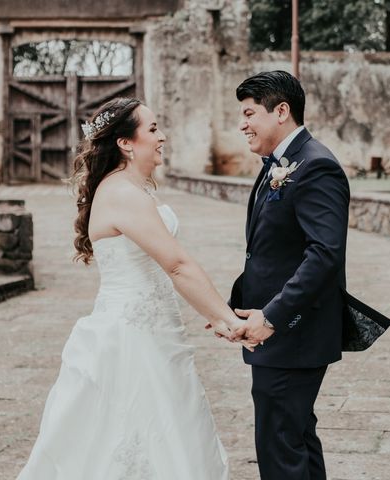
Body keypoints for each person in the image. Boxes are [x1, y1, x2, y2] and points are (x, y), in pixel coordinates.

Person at [16, 97, 254, 479]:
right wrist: (226, 320)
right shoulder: (123, 193)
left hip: (156, 327)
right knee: (135, 433)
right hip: (132, 335)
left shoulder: (132, 188)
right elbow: (177, 265)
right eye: (153, 129)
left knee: (162, 429)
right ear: (126, 142)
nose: (163, 137)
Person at [229, 71, 350, 480]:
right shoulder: (277, 165)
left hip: (293, 332)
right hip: (279, 333)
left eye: (249, 113)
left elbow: (324, 255)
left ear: (281, 111)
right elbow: (267, 251)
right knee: (294, 435)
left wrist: (272, 317)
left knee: (279, 444)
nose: (242, 123)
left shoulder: (316, 166)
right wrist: (233, 311)